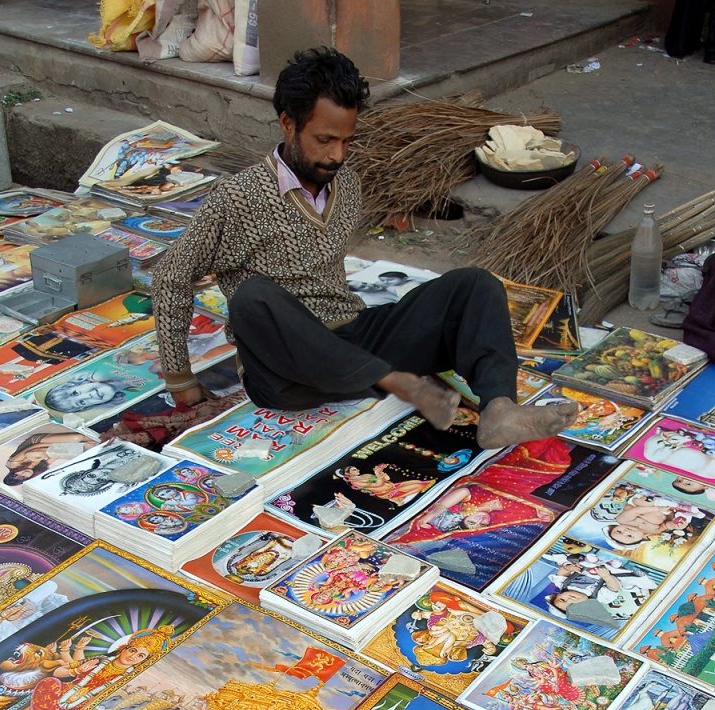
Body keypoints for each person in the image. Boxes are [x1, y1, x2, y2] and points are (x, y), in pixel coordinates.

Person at [151, 47, 578, 450]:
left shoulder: (347, 185)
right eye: (324, 140)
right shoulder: (238, 196)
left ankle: (498, 409)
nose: (337, 155)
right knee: (252, 299)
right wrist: (180, 378)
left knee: (475, 285)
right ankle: (400, 383)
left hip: (354, 344)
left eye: (346, 141)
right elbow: (172, 275)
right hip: (284, 372)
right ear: (287, 124)